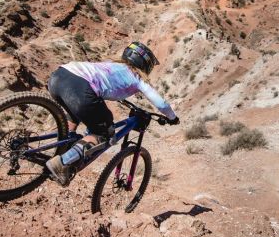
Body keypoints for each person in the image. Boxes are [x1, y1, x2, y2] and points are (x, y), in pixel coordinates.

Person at [45, 41, 179, 186]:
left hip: (58, 77)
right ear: (145, 65)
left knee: (74, 116)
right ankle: (62, 163)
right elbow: (161, 104)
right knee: (104, 133)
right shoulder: (137, 78)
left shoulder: (112, 65)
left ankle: (60, 152)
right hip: (80, 89)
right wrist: (173, 118)